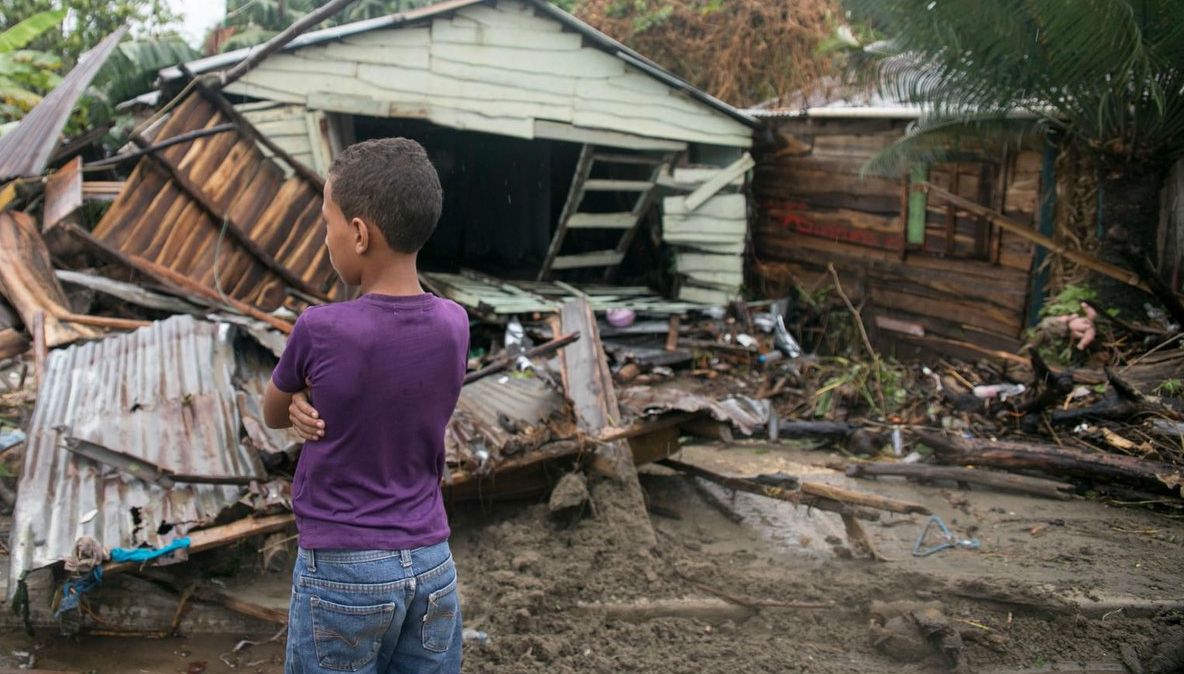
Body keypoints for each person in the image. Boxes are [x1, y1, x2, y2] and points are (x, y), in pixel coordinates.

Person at [263, 138, 469, 674]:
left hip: (344, 569)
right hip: (432, 564)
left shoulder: (321, 329)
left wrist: (297, 400)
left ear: (358, 233)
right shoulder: (454, 324)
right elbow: (399, 396)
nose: (325, 237)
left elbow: (271, 411)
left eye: (326, 223)